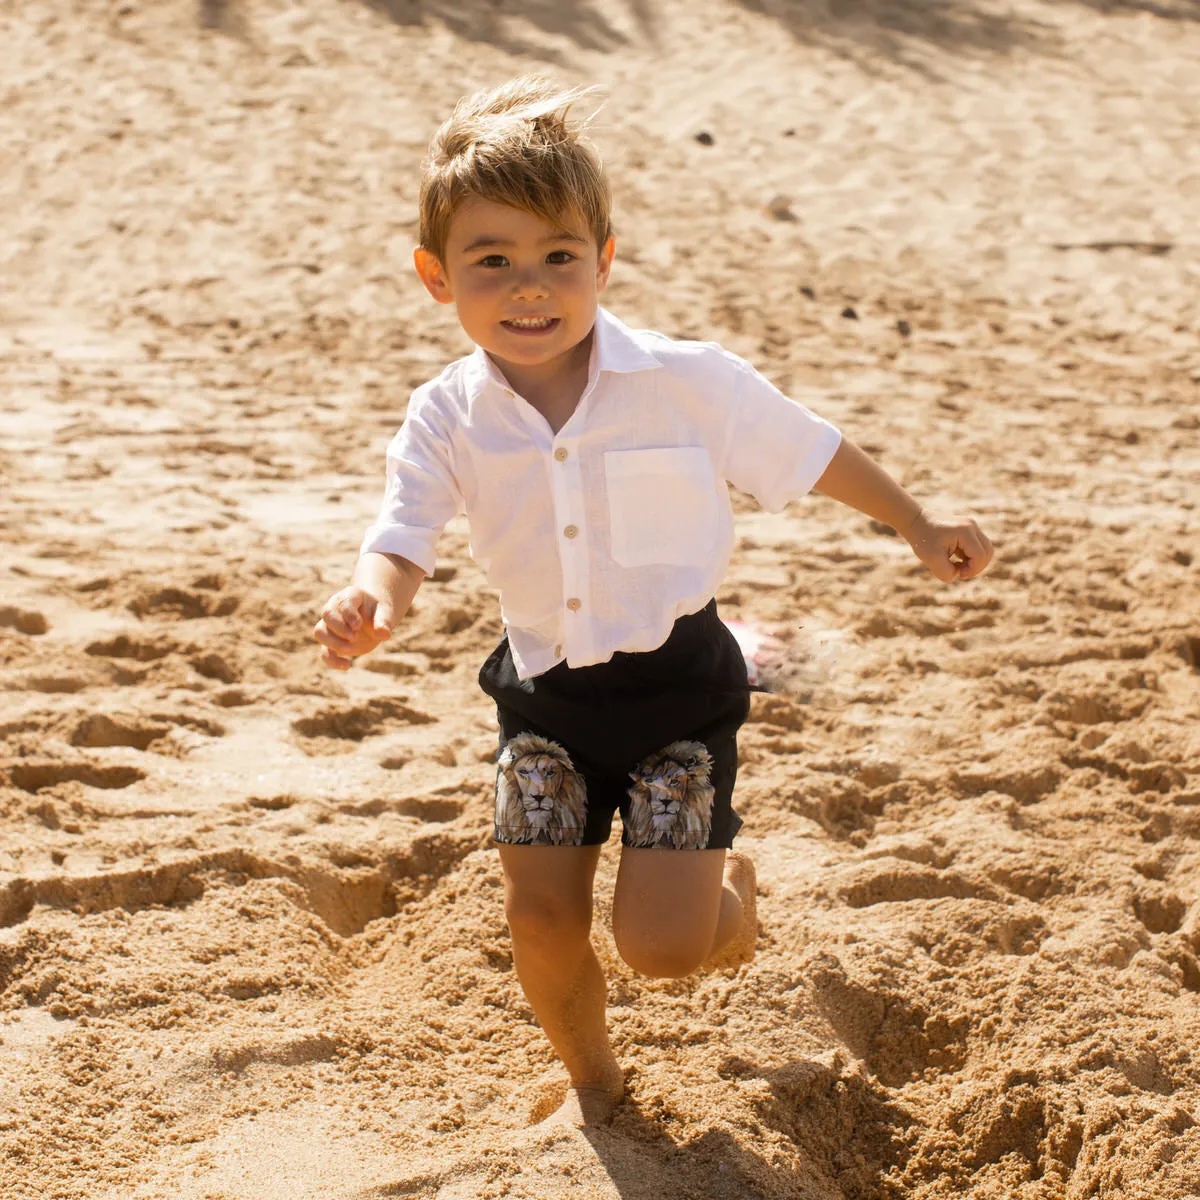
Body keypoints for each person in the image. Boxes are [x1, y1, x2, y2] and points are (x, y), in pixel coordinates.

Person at [312, 75, 994, 1129]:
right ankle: (596, 1085)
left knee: (665, 950)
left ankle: (730, 896)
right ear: (436, 278)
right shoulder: (447, 415)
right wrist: (374, 602)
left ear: (603, 261)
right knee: (541, 920)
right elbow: (403, 537)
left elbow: (811, 453)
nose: (528, 287)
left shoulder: (687, 382)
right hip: (543, 699)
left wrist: (914, 522)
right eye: (492, 261)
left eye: (558, 258)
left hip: (679, 696)